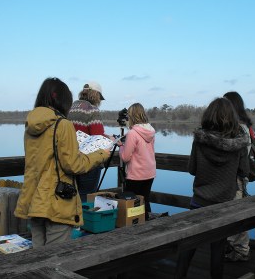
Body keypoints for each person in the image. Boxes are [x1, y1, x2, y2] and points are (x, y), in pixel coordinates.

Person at [14, 77, 110, 248]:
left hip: (34, 198)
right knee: (55, 258)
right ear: (59, 98)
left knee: (38, 254)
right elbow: (73, 164)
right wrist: (102, 154)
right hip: (56, 200)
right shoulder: (62, 124)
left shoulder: (30, 124)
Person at [175, 97, 249, 279]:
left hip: (199, 200)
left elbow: (192, 169)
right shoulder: (239, 143)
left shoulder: (200, 140)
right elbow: (244, 170)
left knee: (188, 246)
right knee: (217, 250)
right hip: (224, 203)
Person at [68, 81, 111, 201]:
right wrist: (110, 139)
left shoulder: (70, 108)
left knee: (72, 197)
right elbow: (97, 138)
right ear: (96, 95)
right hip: (89, 161)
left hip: (71, 160)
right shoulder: (92, 110)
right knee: (87, 197)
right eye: (100, 98)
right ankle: (86, 220)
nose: (100, 101)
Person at [223, 91, 252, 262]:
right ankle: (237, 248)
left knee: (236, 215)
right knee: (235, 213)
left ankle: (240, 250)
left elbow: (239, 156)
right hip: (237, 178)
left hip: (236, 179)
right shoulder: (242, 127)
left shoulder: (239, 129)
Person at [119, 103, 156, 221]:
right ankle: (147, 222)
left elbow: (125, 157)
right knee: (145, 199)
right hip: (149, 172)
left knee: (132, 204)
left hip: (136, 174)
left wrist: (120, 146)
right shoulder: (151, 131)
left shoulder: (132, 133)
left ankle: (134, 227)